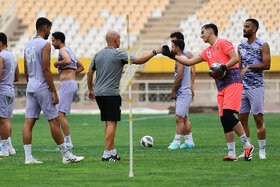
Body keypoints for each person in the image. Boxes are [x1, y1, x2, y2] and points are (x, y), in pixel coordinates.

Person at [162, 23, 254, 161]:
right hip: (221, 86)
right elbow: (189, 62)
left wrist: (223, 67)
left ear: (211, 31)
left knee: (228, 116)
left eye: (202, 32)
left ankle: (247, 146)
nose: (200, 35)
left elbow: (234, 58)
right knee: (224, 120)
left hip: (233, 82)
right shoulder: (207, 51)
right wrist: (170, 55)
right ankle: (232, 154)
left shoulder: (223, 42)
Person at [87, 31, 162, 162]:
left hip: (99, 93)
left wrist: (90, 89)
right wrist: (155, 52)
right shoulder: (119, 54)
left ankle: (112, 151)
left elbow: (89, 73)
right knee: (112, 123)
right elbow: (139, 61)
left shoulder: (98, 54)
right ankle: (107, 154)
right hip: (111, 93)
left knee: (107, 122)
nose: (120, 41)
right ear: (115, 40)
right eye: (119, 38)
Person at [23, 17, 84, 164]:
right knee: (54, 120)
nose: (49, 32)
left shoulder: (27, 45)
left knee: (28, 122)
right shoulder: (44, 44)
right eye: (49, 28)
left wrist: (30, 83)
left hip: (30, 87)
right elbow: (46, 69)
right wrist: (54, 91)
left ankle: (28, 157)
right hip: (42, 87)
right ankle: (66, 155)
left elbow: (25, 68)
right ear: (45, 28)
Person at [237, 19, 271, 159]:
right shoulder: (240, 46)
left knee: (258, 118)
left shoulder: (263, 45)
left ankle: (262, 150)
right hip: (242, 88)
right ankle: (247, 149)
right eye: (243, 26)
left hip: (256, 87)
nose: (244, 29)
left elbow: (267, 65)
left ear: (254, 29)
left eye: (247, 26)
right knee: (242, 119)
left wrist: (250, 67)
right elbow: (239, 66)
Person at [51, 31, 84, 150]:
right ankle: (67, 141)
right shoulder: (71, 50)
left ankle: (68, 142)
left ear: (59, 41)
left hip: (67, 84)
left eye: (53, 40)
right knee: (60, 113)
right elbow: (81, 67)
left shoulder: (62, 51)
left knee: (60, 114)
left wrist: (56, 63)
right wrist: (71, 73)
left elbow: (68, 61)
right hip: (71, 83)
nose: (52, 43)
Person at [168, 32, 195, 149]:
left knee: (179, 117)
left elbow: (179, 77)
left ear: (178, 47)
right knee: (183, 117)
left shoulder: (183, 58)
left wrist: (173, 91)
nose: (171, 48)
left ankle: (177, 141)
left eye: (172, 46)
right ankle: (189, 141)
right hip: (184, 91)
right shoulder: (181, 58)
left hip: (183, 91)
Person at [0, 32, 19, 156]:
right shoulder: (13, 56)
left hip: (2, 90)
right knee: (7, 120)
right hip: (11, 89)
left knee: (2, 120)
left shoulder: (1, 56)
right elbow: (17, 77)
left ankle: (4, 149)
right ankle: (10, 147)